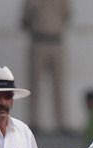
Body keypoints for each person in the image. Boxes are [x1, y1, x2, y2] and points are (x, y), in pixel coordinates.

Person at [21, 0, 71, 133]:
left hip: (55, 41)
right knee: (34, 84)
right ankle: (34, 121)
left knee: (58, 84)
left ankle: (61, 122)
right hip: (39, 41)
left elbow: (66, 15)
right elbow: (25, 20)